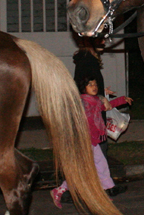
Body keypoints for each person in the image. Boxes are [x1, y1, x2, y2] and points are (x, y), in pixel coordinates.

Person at [50, 75, 132, 208]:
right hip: (83, 142)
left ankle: (105, 190)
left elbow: (108, 107)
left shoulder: (96, 101)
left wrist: (123, 99)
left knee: (101, 166)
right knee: (83, 170)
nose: (94, 87)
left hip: (93, 141)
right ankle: (61, 189)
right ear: (84, 88)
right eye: (90, 85)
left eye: (95, 84)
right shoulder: (82, 103)